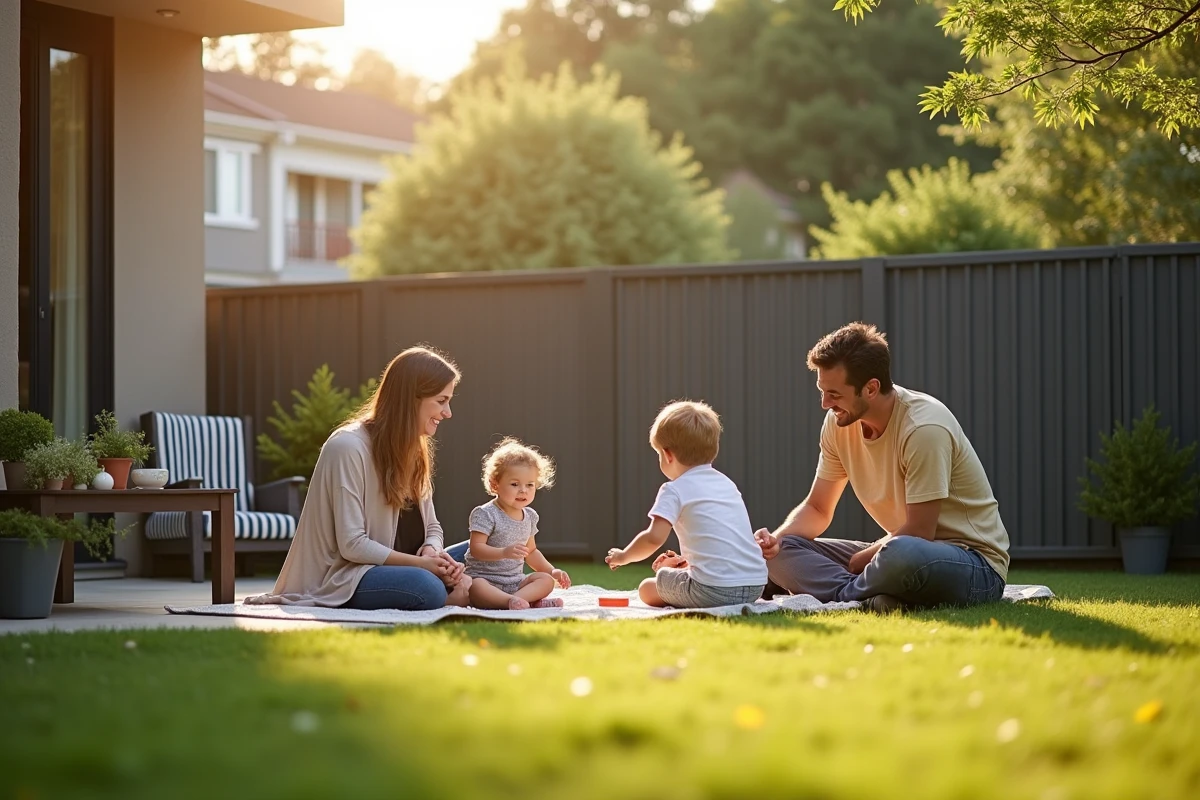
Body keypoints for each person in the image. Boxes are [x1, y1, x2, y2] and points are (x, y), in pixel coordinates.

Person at [754, 322, 1009, 612]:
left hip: (973, 563)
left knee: (899, 554)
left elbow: (920, 530)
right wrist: (774, 541)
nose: (825, 403)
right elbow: (818, 508)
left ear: (871, 388)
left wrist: (860, 560)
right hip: (894, 550)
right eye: (822, 391)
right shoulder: (840, 423)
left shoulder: (924, 428)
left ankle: (845, 593)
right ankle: (864, 597)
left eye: (835, 394)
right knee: (783, 550)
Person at [245, 346, 470, 611]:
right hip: (349, 576)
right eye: (441, 401)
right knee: (426, 587)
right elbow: (352, 545)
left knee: (485, 548)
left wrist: (432, 552)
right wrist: (422, 566)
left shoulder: (415, 449)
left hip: (413, 566)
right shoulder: (348, 447)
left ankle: (468, 586)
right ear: (411, 398)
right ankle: (453, 595)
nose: (448, 413)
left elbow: (433, 527)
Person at [606, 401, 767, 608]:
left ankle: (677, 576)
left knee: (647, 588)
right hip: (755, 585)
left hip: (712, 590)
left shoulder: (673, 489)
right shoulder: (727, 484)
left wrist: (623, 556)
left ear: (667, 455)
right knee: (678, 574)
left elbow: (653, 538)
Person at [463, 438, 572, 610]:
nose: (523, 490)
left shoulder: (530, 516)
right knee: (475, 588)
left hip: (515, 581)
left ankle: (516, 601)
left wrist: (552, 571)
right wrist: (504, 552)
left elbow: (532, 552)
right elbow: (476, 549)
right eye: (515, 484)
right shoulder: (485, 513)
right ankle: (516, 602)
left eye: (530, 485)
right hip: (485, 579)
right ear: (495, 484)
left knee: (545, 580)